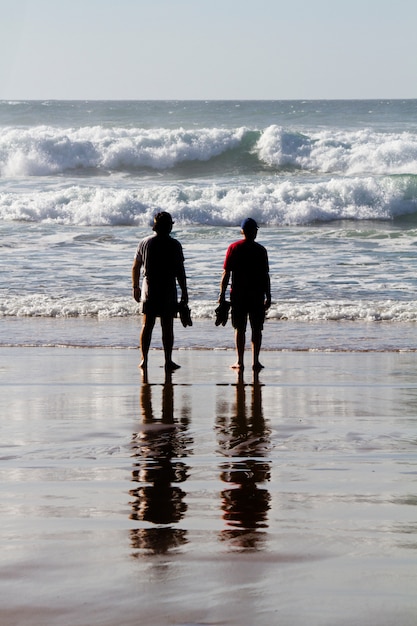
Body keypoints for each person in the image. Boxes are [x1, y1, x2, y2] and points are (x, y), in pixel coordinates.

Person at [132, 211, 188, 371]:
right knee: (167, 326)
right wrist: (184, 292)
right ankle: (168, 360)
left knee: (147, 325)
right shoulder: (174, 244)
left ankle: (144, 360)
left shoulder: (145, 242)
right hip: (168, 288)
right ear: (168, 226)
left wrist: (135, 286)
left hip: (149, 287)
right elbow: (180, 271)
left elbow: (136, 266)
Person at [218, 217, 271, 372]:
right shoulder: (261, 250)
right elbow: (265, 275)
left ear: (242, 231)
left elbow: (226, 274)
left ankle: (240, 361)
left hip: (238, 295)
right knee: (257, 329)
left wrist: (221, 294)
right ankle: (255, 361)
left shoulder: (234, 248)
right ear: (255, 232)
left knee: (239, 329)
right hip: (257, 295)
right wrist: (268, 295)